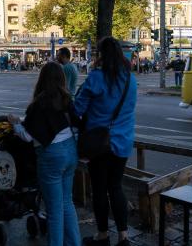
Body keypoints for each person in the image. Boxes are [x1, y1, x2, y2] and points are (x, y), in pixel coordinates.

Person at [8, 62, 81, 246]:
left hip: (51, 157)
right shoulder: (66, 99)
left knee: (54, 209)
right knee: (67, 203)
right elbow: (74, 125)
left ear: (42, 79)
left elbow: (27, 136)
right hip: (71, 151)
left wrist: (15, 123)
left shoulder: (39, 104)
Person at [74, 37, 137, 246]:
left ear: (100, 55)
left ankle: (102, 235)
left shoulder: (96, 78)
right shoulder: (130, 79)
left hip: (99, 144)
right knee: (116, 187)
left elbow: (77, 109)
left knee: (99, 189)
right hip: (123, 142)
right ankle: (123, 237)